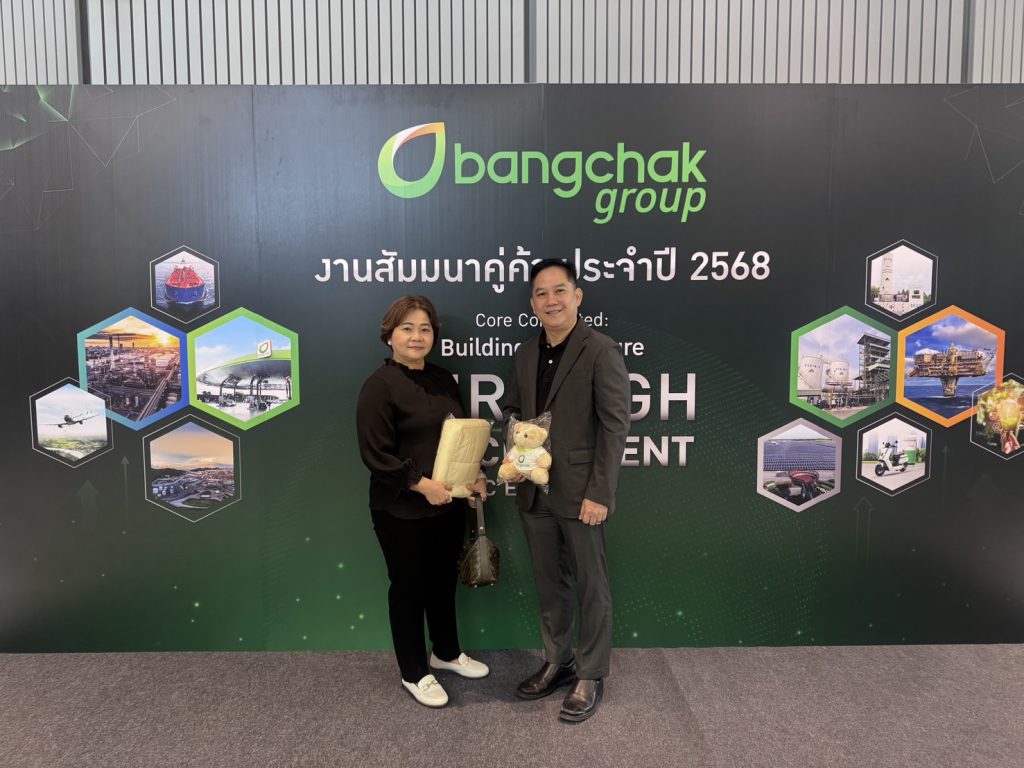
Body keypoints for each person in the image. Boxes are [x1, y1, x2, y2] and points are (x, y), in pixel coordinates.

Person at [501, 259, 631, 723]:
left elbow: (615, 426)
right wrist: (514, 456)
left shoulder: (601, 350)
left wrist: (600, 493)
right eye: (541, 293)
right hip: (533, 492)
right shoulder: (525, 353)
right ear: (532, 303)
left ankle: (591, 674)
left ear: (578, 296)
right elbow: (512, 410)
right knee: (549, 583)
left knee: (592, 585)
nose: (550, 300)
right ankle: (559, 661)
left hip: (581, 494)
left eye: (559, 291)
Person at [356, 295, 489, 708]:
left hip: (447, 504)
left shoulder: (444, 379)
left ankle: (445, 652)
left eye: (425, 329)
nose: (417, 336)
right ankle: (414, 671)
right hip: (400, 508)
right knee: (409, 587)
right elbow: (375, 454)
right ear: (389, 335)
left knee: (442, 582)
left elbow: (461, 439)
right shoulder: (379, 386)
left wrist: (473, 476)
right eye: (407, 328)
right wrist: (419, 483)